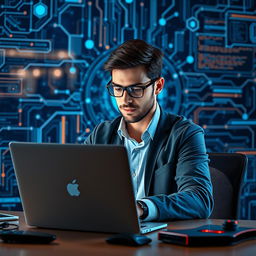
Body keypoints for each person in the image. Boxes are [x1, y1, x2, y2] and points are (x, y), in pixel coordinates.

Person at [85, 39, 213, 221]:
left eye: (135, 89)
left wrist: (141, 208)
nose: (125, 99)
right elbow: (80, 188)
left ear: (158, 86)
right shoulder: (101, 134)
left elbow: (200, 199)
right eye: (117, 88)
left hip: (160, 244)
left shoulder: (185, 134)